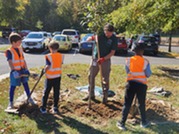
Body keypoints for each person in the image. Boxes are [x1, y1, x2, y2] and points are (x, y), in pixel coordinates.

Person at [116, 42, 152, 130]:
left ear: (134, 51)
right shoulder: (146, 62)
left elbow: (127, 71)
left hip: (131, 84)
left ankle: (122, 123)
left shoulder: (129, 60)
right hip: (141, 85)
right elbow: (148, 74)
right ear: (142, 51)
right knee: (141, 104)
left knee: (127, 103)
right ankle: (143, 122)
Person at [82, 23, 118, 104]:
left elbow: (112, 52)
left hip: (105, 60)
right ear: (104, 31)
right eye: (106, 32)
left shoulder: (114, 39)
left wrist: (104, 59)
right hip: (95, 58)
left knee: (105, 78)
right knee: (90, 75)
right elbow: (92, 38)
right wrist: (90, 38)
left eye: (109, 33)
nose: (108, 34)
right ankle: (91, 94)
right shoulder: (100, 35)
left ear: (112, 32)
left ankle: (105, 97)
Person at [5, 33, 35, 109]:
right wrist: (13, 71)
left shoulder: (20, 49)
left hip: (22, 70)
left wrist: (26, 69)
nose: (20, 43)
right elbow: (10, 61)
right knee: (13, 86)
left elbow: (23, 59)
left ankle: (29, 98)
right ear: (13, 42)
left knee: (26, 84)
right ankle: (11, 102)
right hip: (15, 72)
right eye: (19, 42)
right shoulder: (9, 51)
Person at [40, 42, 63, 114]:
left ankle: (43, 107)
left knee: (46, 92)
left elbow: (48, 66)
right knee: (56, 92)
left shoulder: (48, 56)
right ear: (57, 48)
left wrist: (44, 70)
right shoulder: (61, 56)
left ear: (50, 48)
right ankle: (55, 107)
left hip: (49, 77)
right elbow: (60, 63)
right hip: (57, 77)